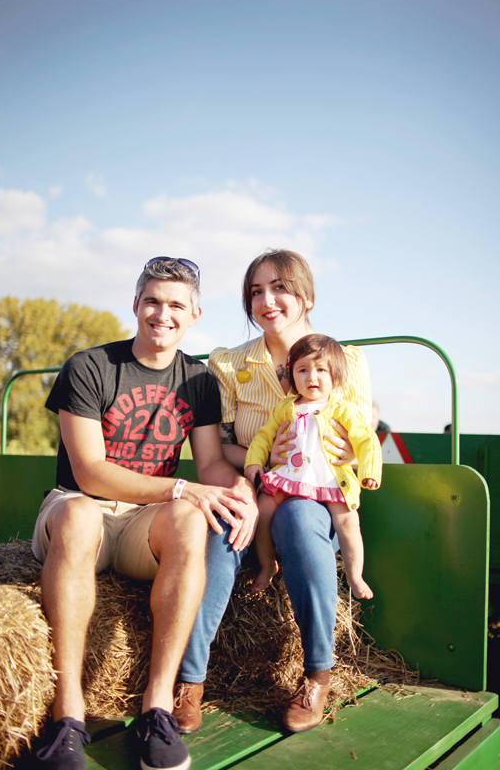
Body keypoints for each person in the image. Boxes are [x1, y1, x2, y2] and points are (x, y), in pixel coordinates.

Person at [30, 257, 258, 770]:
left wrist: (241, 490)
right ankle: (68, 718)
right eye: (153, 301)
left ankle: (157, 707)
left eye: (176, 304)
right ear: (136, 305)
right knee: (82, 516)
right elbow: (89, 472)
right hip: (77, 507)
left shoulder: (198, 380)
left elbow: (212, 464)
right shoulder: (89, 366)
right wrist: (182, 487)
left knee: (189, 518)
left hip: (142, 521)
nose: (163, 313)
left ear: (194, 314)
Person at [172, 249, 373, 736]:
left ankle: (317, 675)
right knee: (222, 526)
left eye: (279, 287)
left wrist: (326, 454)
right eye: (256, 292)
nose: (268, 300)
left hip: (318, 491)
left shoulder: (345, 360)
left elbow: (356, 441)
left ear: (304, 295)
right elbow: (218, 445)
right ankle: (189, 681)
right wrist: (261, 461)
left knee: (300, 520)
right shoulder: (226, 364)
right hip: (254, 479)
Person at [245, 334, 382, 598]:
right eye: (303, 370)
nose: (312, 377)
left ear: (336, 377)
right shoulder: (285, 408)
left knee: (348, 522)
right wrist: (254, 461)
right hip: (289, 475)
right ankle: (267, 565)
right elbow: (264, 436)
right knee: (261, 511)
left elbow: (366, 440)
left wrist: (369, 472)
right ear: (291, 375)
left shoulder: (342, 409)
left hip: (328, 478)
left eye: (321, 370)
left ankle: (355, 576)